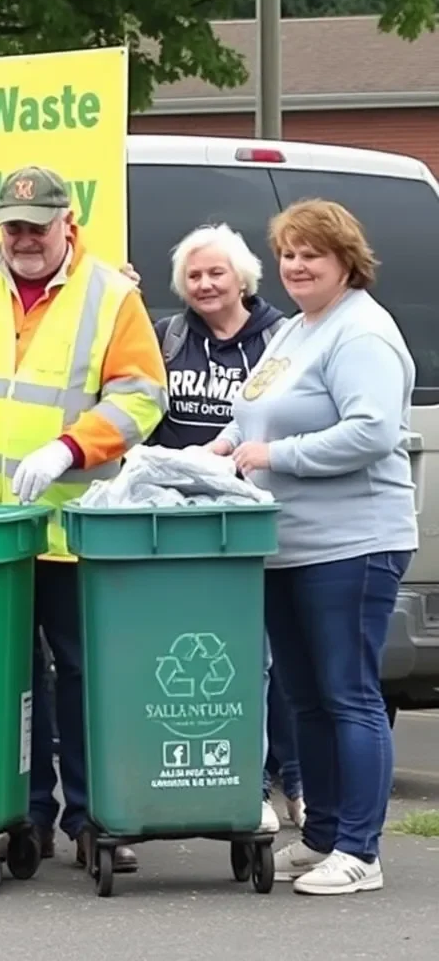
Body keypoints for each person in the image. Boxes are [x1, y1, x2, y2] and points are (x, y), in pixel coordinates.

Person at [0, 165, 168, 872]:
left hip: (71, 524)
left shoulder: (110, 295)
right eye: (12, 227)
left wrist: (70, 446)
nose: (24, 240)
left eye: (37, 227)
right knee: (7, 678)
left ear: (66, 224)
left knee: (81, 675)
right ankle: (25, 815)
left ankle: (91, 816)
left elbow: (141, 395)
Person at [209, 198, 418, 895]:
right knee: (304, 697)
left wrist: (276, 454)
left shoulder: (361, 333)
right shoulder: (296, 330)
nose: (296, 267)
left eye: (311, 255)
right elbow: (257, 417)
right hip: (285, 543)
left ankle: (361, 851)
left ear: (346, 262)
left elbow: (371, 431)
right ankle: (323, 833)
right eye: (288, 255)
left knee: (348, 694)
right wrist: (227, 446)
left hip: (352, 544)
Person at [143, 222, 303, 833]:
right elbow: (149, 418)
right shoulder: (168, 338)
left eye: (217, 273)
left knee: (270, 655)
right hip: (182, 521)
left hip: (258, 514)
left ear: (244, 278)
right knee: (216, 655)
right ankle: (246, 779)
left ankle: (292, 782)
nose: (206, 284)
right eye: (194, 275)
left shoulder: (281, 340)